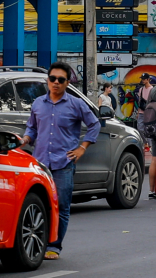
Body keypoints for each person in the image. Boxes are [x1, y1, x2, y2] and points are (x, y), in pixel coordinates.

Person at [22, 60, 99, 261]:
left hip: (63, 163)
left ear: (67, 83)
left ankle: (54, 246)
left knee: (61, 206)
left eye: (60, 79)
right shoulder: (38, 103)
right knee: (38, 204)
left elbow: (94, 125)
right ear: (47, 80)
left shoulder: (76, 104)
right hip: (39, 164)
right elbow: (32, 127)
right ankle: (38, 241)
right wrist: (26, 138)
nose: (55, 82)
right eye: (52, 78)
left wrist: (82, 148)